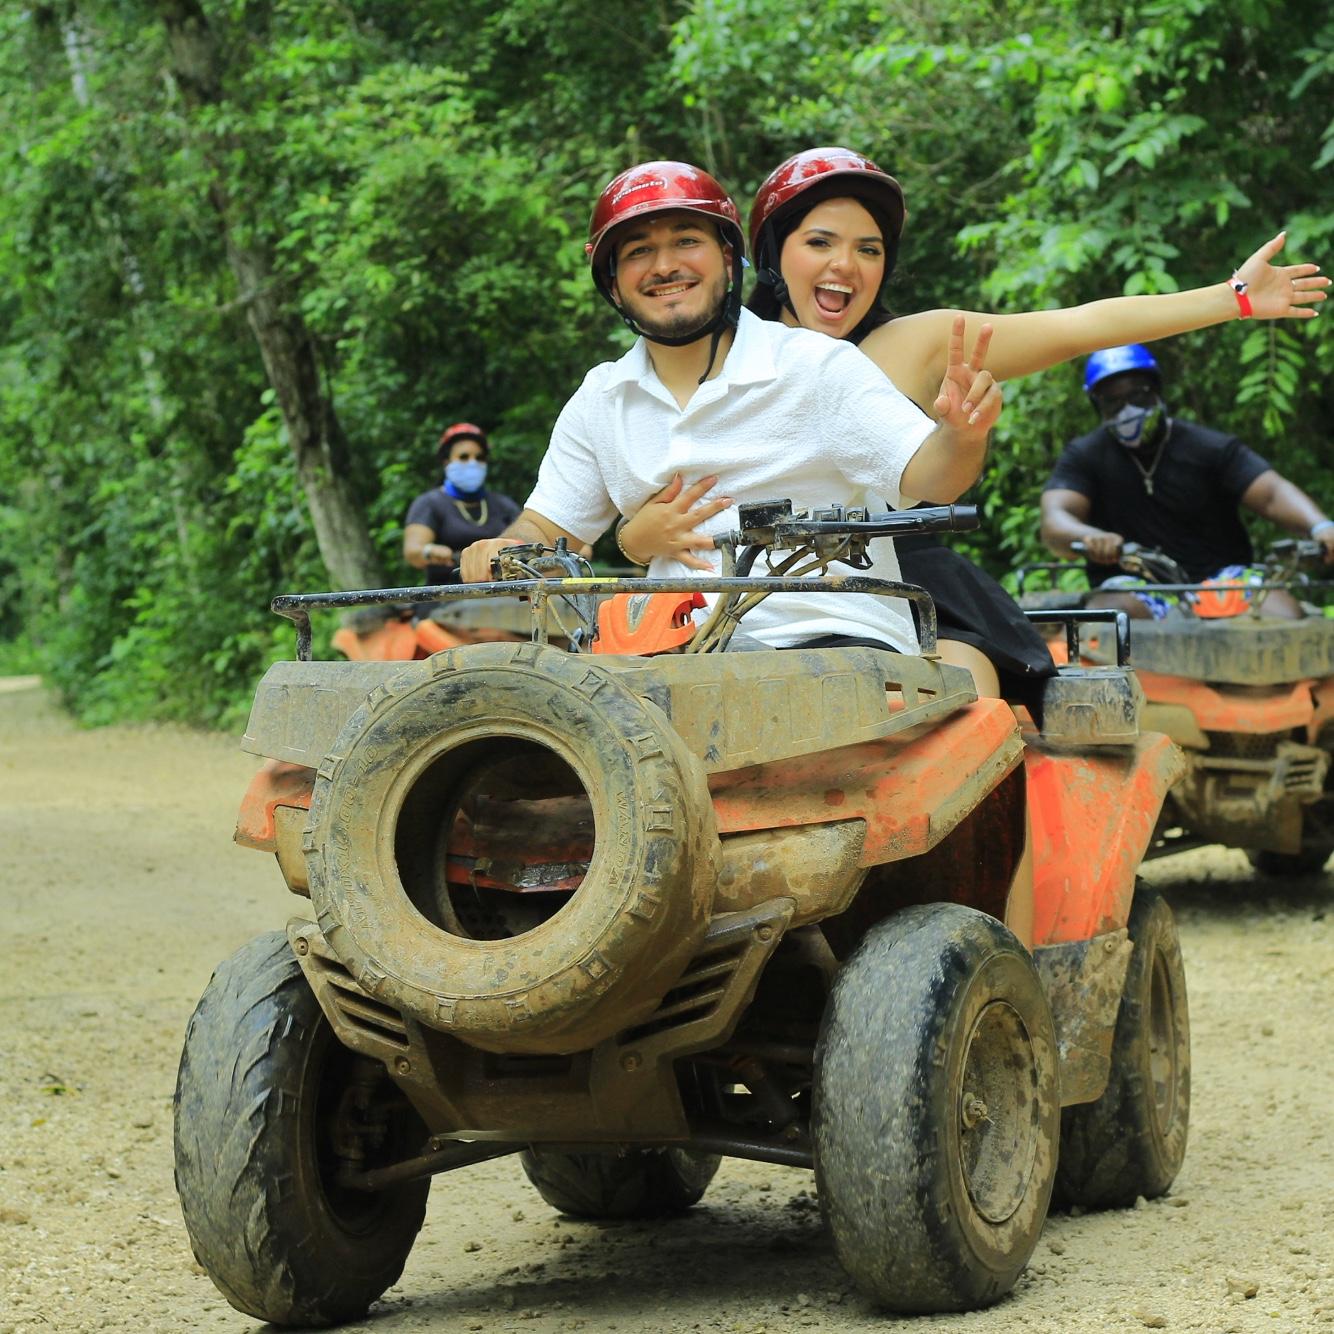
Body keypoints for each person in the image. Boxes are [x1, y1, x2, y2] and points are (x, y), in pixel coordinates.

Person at [616, 147, 1328, 693]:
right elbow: (644, 478)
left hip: (901, 583)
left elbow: (1079, 325)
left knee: (972, 704)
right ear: (770, 256)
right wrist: (630, 536)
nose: (846, 266)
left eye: (869, 249)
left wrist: (1229, 298)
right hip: (739, 599)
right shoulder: (714, 357)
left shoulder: (912, 345)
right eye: (821, 242)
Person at [458, 159, 999, 660]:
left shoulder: (815, 365)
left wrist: (961, 435)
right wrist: (502, 547)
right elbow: (548, 528)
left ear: (726, 257)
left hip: (825, 641)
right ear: (613, 285)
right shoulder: (602, 398)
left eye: (686, 241)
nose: (665, 266)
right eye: (638, 251)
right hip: (672, 652)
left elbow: (932, 476)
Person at [1040, 343, 1334, 620]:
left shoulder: (1207, 447)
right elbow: (1056, 518)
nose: (1127, 410)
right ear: (1097, 406)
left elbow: (1271, 493)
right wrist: (1088, 538)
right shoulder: (1085, 456)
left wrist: (1319, 527)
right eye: (1112, 402)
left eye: (1137, 395)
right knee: (1111, 615)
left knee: (1281, 614)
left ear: (1156, 391)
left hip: (1222, 580)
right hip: (1135, 585)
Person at [404, 422, 522, 585]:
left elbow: (525, 545)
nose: (472, 463)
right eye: (464, 457)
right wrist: (429, 551)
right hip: (445, 597)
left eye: (479, 458)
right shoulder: (430, 503)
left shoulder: (503, 504)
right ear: (447, 462)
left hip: (501, 595)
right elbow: (413, 551)